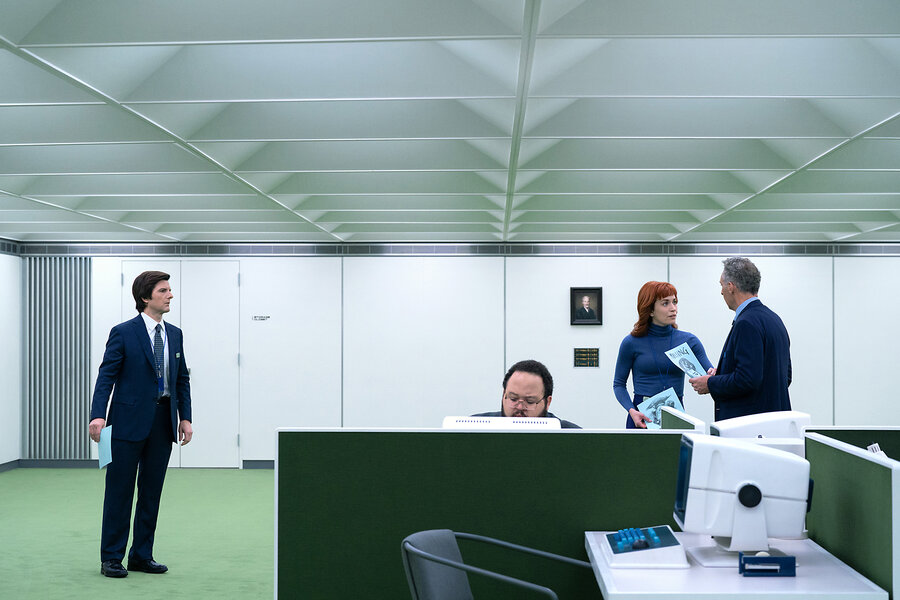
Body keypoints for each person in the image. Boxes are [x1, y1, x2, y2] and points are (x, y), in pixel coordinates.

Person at [88, 271, 193, 578]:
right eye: (164, 290)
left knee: (151, 493)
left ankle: (141, 555)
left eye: (170, 290)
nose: (170, 295)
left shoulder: (175, 334)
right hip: (126, 425)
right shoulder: (123, 332)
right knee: (119, 491)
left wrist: (184, 417)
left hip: (162, 425)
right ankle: (111, 557)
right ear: (146, 297)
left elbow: (182, 379)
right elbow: (106, 375)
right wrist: (98, 414)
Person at [689, 257, 792, 421]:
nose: (721, 291)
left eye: (721, 285)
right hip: (774, 422)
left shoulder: (746, 323)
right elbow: (784, 376)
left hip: (749, 426)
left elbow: (747, 379)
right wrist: (723, 374)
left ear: (731, 287)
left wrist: (710, 383)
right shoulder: (774, 319)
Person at [613, 281, 713, 429]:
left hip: (676, 416)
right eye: (665, 303)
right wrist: (632, 411)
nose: (673, 309)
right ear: (650, 310)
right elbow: (619, 384)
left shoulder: (689, 341)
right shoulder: (631, 342)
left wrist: (713, 376)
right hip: (641, 419)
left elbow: (710, 374)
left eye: (675, 302)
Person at [473, 359, 581, 429]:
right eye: (513, 399)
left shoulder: (571, 436)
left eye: (530, 402)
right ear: (503, 395)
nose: (519, 407)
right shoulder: (474, 427)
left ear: (547, 402)